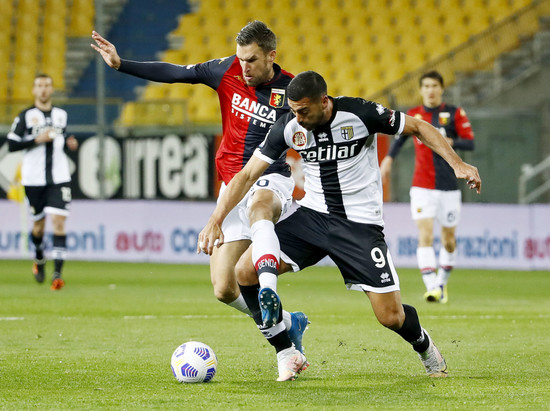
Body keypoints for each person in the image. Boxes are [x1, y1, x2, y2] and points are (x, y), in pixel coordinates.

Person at [198, 71, 481, 380]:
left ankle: (424, 346)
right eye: (293, 110)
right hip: (312, 217)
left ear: (324, 101)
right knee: (244, 272)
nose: (298, 117)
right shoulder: (290, 126)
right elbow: (247, 174)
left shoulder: (359, 113)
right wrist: (216, 219)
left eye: (304, 110)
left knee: (390, 316)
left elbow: (419, 127)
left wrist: (458, 164)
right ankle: (286, 350)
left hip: (359, 225)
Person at [91, 21, 308, 378]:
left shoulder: (291, 89)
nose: (244, 67)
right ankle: (287, 321)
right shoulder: (226, 70)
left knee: (258, 212)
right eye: (240, 59)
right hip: (230, 186)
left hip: (269, 180)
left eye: (252, 60)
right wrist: (121, 63)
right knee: (224, 288)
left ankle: (282, 346)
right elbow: (175, 73)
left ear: (272, 56)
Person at [380, 70, 475, 304]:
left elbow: (470, 142)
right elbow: (399, 139)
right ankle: (432, 286)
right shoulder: (414, 115)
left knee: (449, 240)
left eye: (434, 85)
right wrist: (389, 160)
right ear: (421, 90)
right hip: (421, 185)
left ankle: (442, 283)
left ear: (441, 88)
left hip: (449, 187)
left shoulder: (454, 113)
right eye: (426, 86)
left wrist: (449, 142)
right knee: (425, 235)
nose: (430, 90)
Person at [7, 73, 79, 291]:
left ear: (52, 89)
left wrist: (69, 142)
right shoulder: (26, 116)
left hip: (59, 177)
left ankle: (57, 275)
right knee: (38, 228)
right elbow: (11, 144)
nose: (44, 89)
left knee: (59, 221)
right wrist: (37, 139)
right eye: (39, 85)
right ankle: (39, 259)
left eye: (47, 85)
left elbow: (63, 136)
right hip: (34, 179)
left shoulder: (61, 115)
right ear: (34, 90)